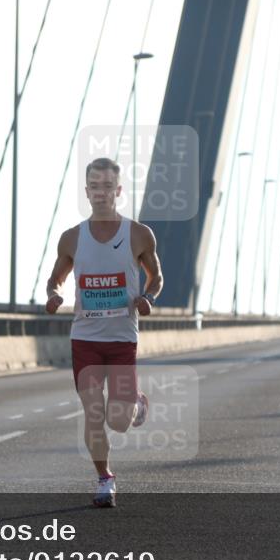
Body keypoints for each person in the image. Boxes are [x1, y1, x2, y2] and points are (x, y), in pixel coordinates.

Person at [45, 157, 163, 508]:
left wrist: (148, 297)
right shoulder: (71, 238)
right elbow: (56, 278)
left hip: (122, 340)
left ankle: (137, 404)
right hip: (85, 340)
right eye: (94, 187)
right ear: (87, 191)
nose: (100, 193)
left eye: (107, 187)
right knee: (94, 412)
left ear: (118, 190)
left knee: (119, 421)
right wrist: (54, 294)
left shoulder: (139, 234)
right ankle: (104, 479)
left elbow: (156, 277)